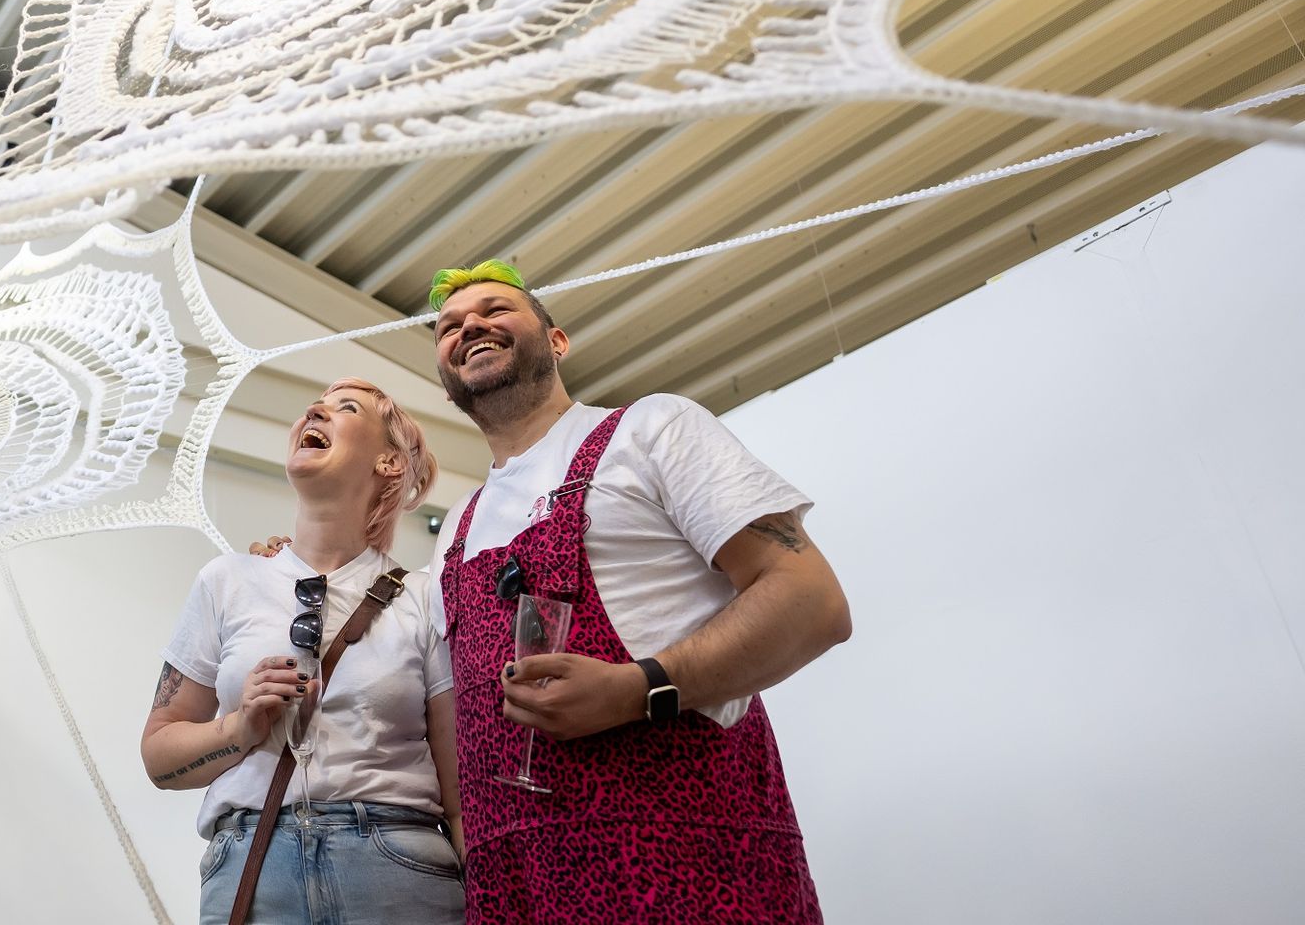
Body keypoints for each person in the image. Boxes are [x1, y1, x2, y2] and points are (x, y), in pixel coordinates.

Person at [425, 259, 853, 923]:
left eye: (496, 309)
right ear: (445, 376)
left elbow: (810, 601)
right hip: (519, 890)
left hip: (692, 867)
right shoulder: (456, 528)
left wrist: (636, 689)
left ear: (557, 340)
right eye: (449, 325)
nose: (471, 323)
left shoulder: (650, 430)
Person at [143, 378, 465, 925]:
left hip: (395, 865)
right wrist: (239, 728)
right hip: (251, 863)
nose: (315, 408)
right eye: (314, 404)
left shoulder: (424, 595)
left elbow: (461, 791)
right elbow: (159, 759)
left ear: (389, 461)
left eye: (346, 407)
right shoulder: (226, 580)